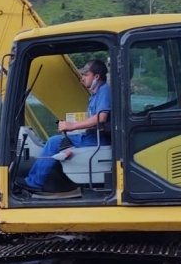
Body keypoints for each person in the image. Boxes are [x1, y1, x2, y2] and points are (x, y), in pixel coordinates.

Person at [17, 59, 112, 192]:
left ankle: (34, 183)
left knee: (53, 142)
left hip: (96, 140)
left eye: (86, 75)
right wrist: (71, 127)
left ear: (96, 76)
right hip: (91, 136)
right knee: (55, 142)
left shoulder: (104, 91)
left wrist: (72, 126)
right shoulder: (95, 95)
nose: (82, 78)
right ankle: (37, 180)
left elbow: (101, 117)